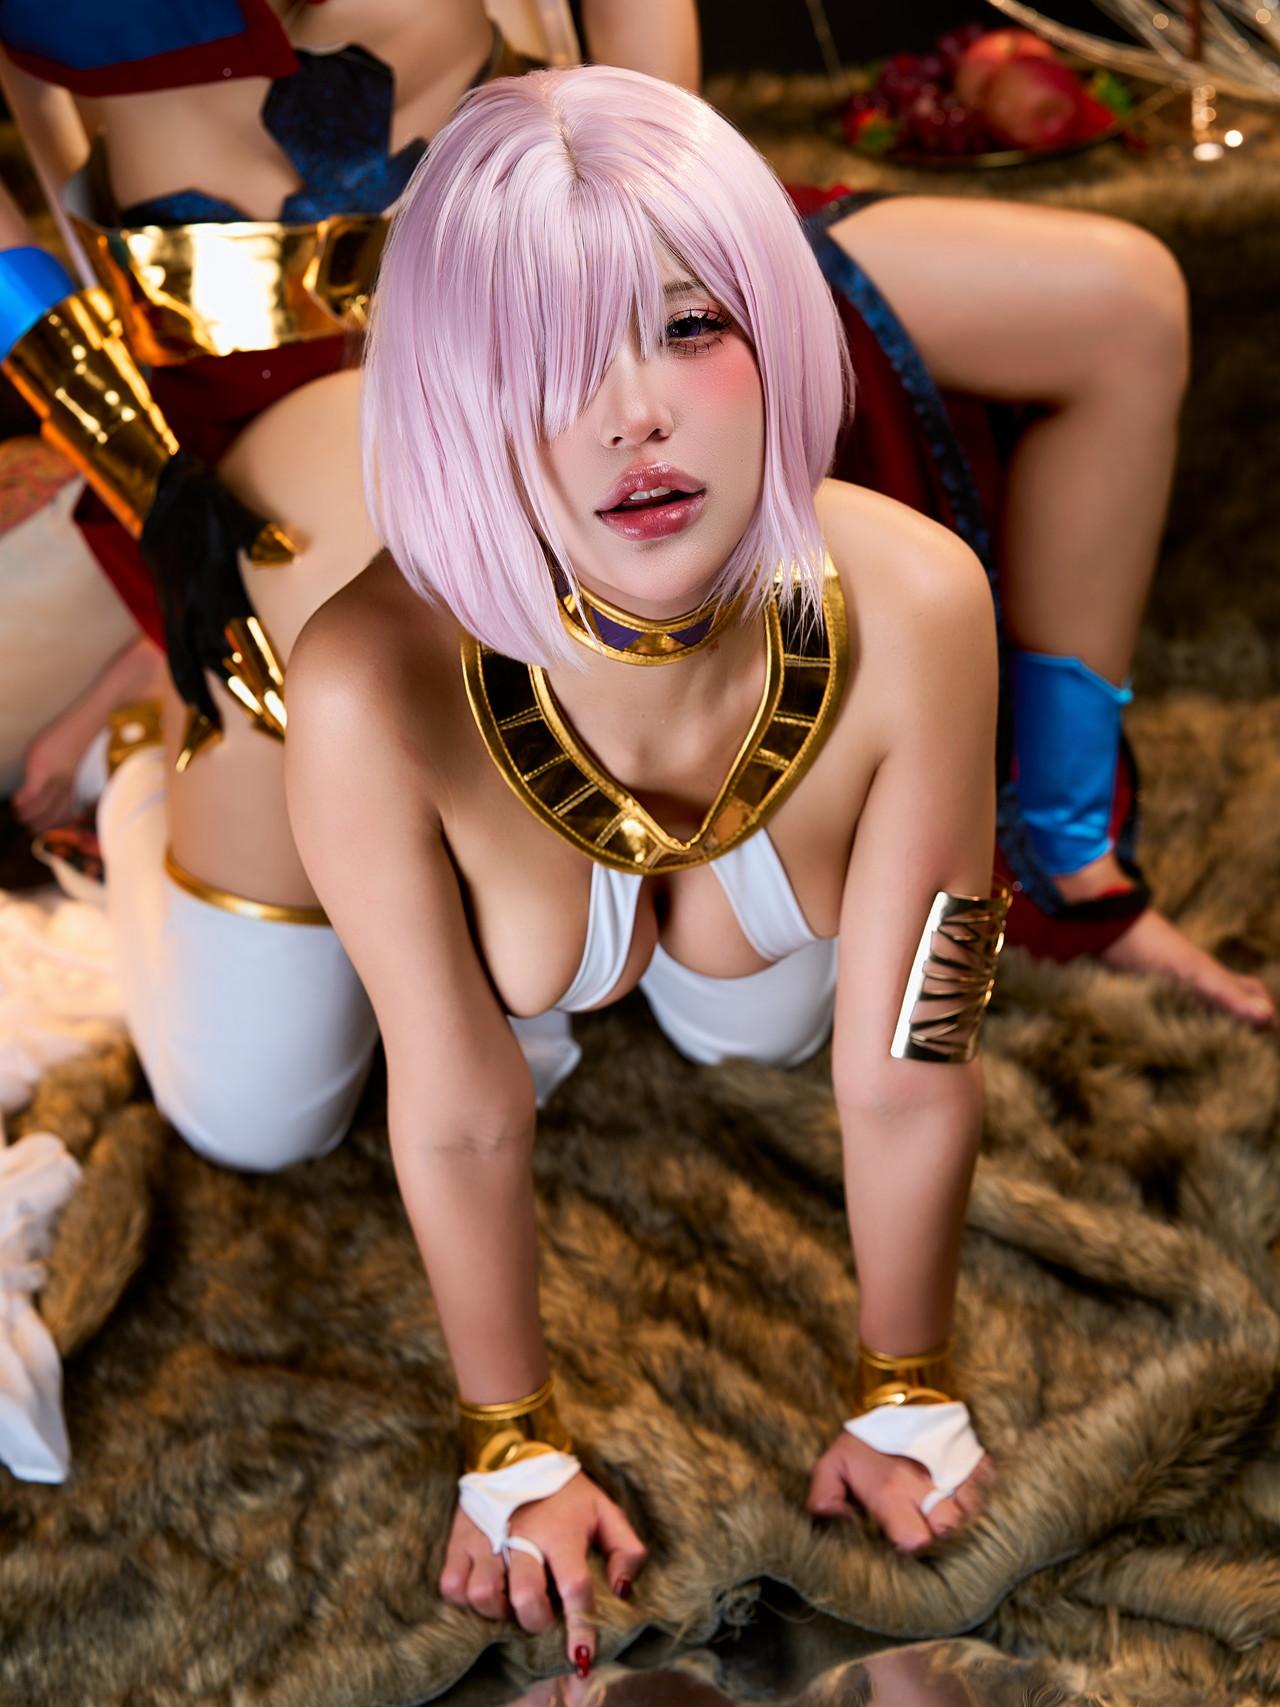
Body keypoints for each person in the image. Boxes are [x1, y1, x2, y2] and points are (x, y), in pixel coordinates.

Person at [286, 64, 1009, 1676]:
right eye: (552, 360)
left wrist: (907, 1385)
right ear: (464, 398)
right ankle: (153, 781)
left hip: (733, 846)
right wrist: (514, 1441)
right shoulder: (364, 684)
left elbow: (914, 1051)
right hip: (348, 744)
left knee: (760, 1020)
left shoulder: (922, 602)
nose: (636, 414)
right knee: (255, 1102)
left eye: (690, 326)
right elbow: (461, 1103)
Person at [0, 0, 701, 1170]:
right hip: (240, 426)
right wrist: (135, 463)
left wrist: (656, 266)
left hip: (528, 307)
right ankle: (137, 747)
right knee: (258, 1116)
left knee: (721, 986)